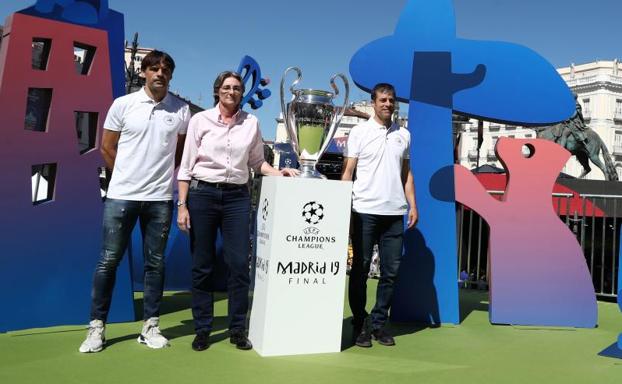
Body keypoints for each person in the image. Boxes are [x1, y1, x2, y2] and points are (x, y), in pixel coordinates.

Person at [176, 71, 297, 352]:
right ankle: (203, 328)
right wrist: (182, 205)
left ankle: (237, 328)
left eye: (237, 88)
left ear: (243, 93)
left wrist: (279, 172)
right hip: (202, 194)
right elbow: (186, 166)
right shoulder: (199, 120)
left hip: (237, 199)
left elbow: (257, 162)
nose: (232, 91)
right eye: (227, 87)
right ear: (218, 90)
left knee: (239, 264)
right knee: (202, 265)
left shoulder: (251, 123)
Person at [79, 50, 190, 353]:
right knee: (108, 262)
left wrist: (155, 179)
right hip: (122, 196)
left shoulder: (181, 111)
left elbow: (178, 155)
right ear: (143, 72)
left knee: (155, 264)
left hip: (159, 200)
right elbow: (106, 147)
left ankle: (150, 327)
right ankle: (96, 329)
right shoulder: (123, 104)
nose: (160, 73)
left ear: (171, 75)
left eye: (165, 69)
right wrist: (127, 176)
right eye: (154, 68)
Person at [341, 83, 418, 348]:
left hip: (394, 212)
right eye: (383, 100)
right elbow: (348, 171)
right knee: (360, 270)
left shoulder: (404, 135)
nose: (388, 104)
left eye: (391, 100)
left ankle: (377, 324)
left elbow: (406, 173)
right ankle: (360, 322)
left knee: (390, 273)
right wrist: (343, 206)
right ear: (373, 102)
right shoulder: (359, 132)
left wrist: (413, 205)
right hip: (363, 211)